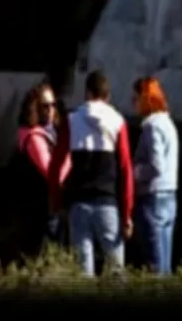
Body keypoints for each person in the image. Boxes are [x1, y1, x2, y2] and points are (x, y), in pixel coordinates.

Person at [62, 70, 135, 277]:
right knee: (116, 272)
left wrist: (57, 199)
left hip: (79, 203)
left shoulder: (71, 120)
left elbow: (58, 164)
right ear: (108, 95)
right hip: (107, 204)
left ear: (87, 93)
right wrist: (127, 213)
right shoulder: (117, 121)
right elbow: (125, 167)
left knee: (83, 272)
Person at [9, 83, 71, 264]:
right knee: (42, 255)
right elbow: (53, 174)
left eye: (54, 105)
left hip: (43, 208)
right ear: (34, 107)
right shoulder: (35, 138)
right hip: (38, 211)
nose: (51, 110)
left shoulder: (47, 134)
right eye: (45, 106)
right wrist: (68, 157)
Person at [131, 76, 180, 276]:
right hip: (169, 196)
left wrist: (133, 171)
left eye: (135, 98)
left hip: (153, 197)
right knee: (165, 263)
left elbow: (156, 165)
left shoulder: (151, 126)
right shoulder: (168, 123)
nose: (132, 103)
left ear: (145, 98)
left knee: (154, 264)